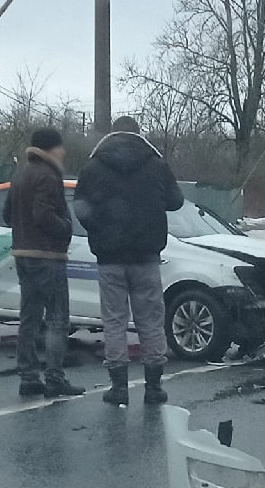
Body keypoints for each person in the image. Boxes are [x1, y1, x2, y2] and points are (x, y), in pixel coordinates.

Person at [73, 114, 184, 406]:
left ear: (112, 135)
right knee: (150, 320)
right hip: (146, 256)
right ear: (139, 134)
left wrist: (99, 231)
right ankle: (153, 386)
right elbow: (176, 201)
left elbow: (81, 209)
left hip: (109, 258)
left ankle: (119, 388)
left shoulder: (93, 167)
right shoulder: (156, 165)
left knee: (114, 320)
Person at [4, 125, 82, 399]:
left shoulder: (20, 175)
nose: (63, 151)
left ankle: (28, 377)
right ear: (51, 148)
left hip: (23, 254)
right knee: (58, 319)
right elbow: (42, 214)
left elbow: (7, 215)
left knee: (29, 318)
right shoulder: (48, 176)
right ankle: (54, 378)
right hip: (47, 256)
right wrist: (65, 227)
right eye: (60, 146)